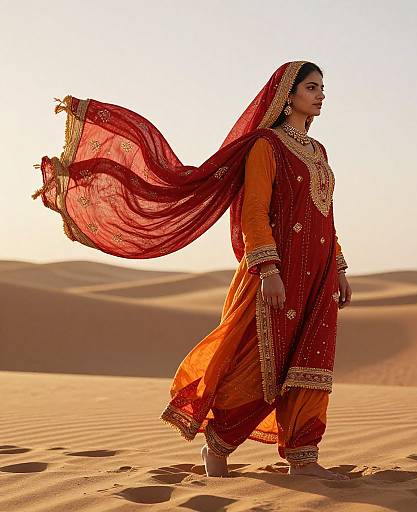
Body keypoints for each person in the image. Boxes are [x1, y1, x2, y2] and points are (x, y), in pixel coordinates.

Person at [32, 61, 352, 480]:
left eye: (323, 88)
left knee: (311, 360)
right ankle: (217, 447)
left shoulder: (319, 152)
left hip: (319, 273)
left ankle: (303, 456)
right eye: (312, 87)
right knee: (258, 363)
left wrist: (340, 268)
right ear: (287, 95)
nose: (321, 94)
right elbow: (254, 212)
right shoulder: (266, 146)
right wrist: (268, 269)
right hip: (276, 272)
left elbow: (324, 215)